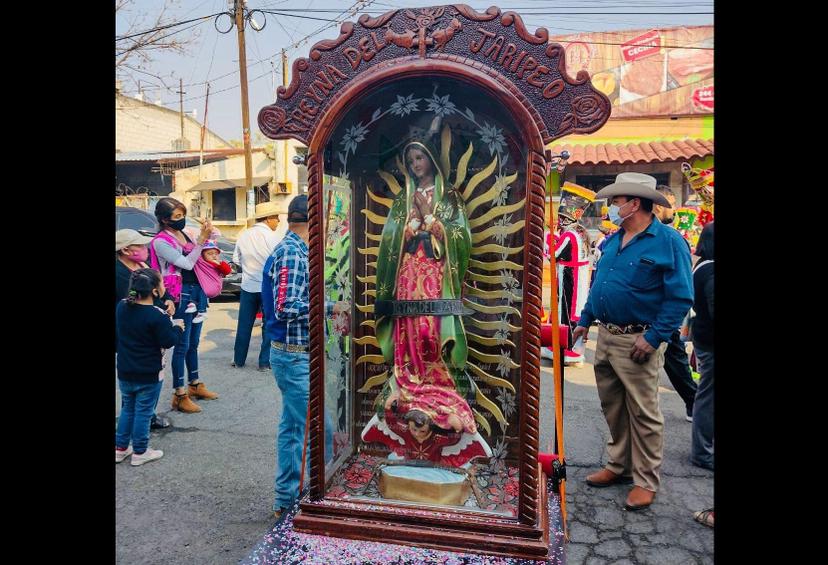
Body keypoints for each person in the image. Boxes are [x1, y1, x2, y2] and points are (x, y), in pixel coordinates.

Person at [361, 140, 490, 466]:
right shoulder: (401, 201)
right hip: (408, 273)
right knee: (408, 331)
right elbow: (390, 240)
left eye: (420, 157)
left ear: (432, 159)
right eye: (411, 159)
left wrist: (434, 224)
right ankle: (407, 383)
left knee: (430, 332)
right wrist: (406, 230)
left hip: (435, 277)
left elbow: (460, 238)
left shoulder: (450, 199)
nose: (416, 163)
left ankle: (436, 385)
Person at [572, 172, 693, 511]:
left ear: (634, 203)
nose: (612, 208)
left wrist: (653, 338)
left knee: (644, 413)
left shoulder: (668, 241)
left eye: (616, 202)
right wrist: (585, 320)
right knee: (613, 406)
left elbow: (681, 297)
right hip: (607, 337)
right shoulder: (613, 240)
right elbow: (601, 286)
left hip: (639, 340)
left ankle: (645, 480)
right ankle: (618, 465)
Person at [262, 195, 339, 518]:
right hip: (292, 355)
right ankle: (314, 498)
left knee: (294, 428)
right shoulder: (292, 253)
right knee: (321, 429)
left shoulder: (295, 250)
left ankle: (287, 497)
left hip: (293, 354)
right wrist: (332, 308)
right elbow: (286, 308)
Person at [150, 197, 220, 414]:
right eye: (177, 216)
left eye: (183, 215)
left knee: (194, 342)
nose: (182, 219)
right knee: (182, 345)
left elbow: (214, 240)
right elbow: (187, 263)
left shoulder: (185, 232)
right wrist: (200, 241)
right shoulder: (161, 241)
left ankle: (195, 383)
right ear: (164, 220)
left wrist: (208, 229)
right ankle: (179, 394)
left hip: (197, 291)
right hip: (179, 295)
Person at [115, 268, 184, 465]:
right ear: (154, 290)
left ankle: (120, 448)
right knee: (144, 412)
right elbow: (168, 340)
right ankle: (140, 451)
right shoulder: (157, 315)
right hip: (149, 373)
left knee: (128, 408)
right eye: (161, 284)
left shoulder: (121, 306)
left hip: (125, 370)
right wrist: (178, 328)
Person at [115, 228, 175, 430]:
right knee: (134, 383)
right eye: (139, 246)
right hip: (129, 335)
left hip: (151, 331)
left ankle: (145, 416)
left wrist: (168, 300)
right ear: (124, 250)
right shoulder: (118, 272)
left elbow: (158, 290)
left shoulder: (143, 266)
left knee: (149, 381)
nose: (145, 249)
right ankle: (135, 426)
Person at [653, 185, 698, 422]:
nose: (674, 210)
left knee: (675, 359)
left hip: (664, 314)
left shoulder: (671, 238)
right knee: (672, 360)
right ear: (659, 205)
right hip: (653, 313)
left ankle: (694, 401)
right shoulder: (654, 235)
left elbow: (681, 289)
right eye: (671, 203)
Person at [232, 201, 282, 370]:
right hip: (267, 287)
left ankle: (238, 360)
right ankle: (264, 362)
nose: (279, 222)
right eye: (276, 218)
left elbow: (235, 259)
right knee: (268, 325)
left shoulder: (244, 235)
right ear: (268, 219)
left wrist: (248, 268)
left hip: (247, 286)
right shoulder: (273, 237)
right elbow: (279, 261)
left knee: (244, 325)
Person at [689, 222, 714, 470]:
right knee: (708, 397)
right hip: (710, 341)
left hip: (703, 337)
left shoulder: (702, 266)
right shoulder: (711, 271)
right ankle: (703, 452)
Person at [190, 240, 233, 324]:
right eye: (209, 253)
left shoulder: (218, 264)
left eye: (215, 254)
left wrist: (220, 264)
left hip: (212, 285)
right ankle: (192, 303)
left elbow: (227, 271)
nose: (213, 256)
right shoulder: (201, 263)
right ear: (202, 255)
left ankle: (202, 311)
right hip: (202, 283)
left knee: (203, 292)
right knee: (196, 288)